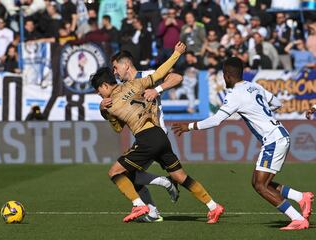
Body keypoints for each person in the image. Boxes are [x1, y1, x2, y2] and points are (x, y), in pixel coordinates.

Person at [172, 57, 313, 231]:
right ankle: (301, 197)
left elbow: (217, 120)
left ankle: (297, 219)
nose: (224, 79)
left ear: (228, 76)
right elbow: (276, 103)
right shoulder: (253, 86)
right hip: (280, 134)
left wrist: (190, 126)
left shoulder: (234, 95)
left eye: (224, 75)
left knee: (261, 185)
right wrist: (261, 112)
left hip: (273, 140)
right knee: (259, 181)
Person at [91, 42, 224, 223]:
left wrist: (103, 110)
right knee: (180, 176)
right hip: (160, 135)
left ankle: (141, 205)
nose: (100, 96)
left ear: (105, 86)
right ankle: (213, 206)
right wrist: (176, 53)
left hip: (146, 139)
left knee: (115, 173)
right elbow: (160, 73)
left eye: (99, 92)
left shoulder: (111, 103)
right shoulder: (136, 84)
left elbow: (117, 129)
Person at [102, 49, 180, 222]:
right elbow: (118, 125)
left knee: (125, 174)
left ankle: (163, 190)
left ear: (126, 65)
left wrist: (157, 89)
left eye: (115, 68)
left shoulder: (148, 75)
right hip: (144, 136)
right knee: (130, 174)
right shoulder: (124, 89)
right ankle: (152, 211)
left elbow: (177, 78)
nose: (114, 72)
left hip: (156, 134)